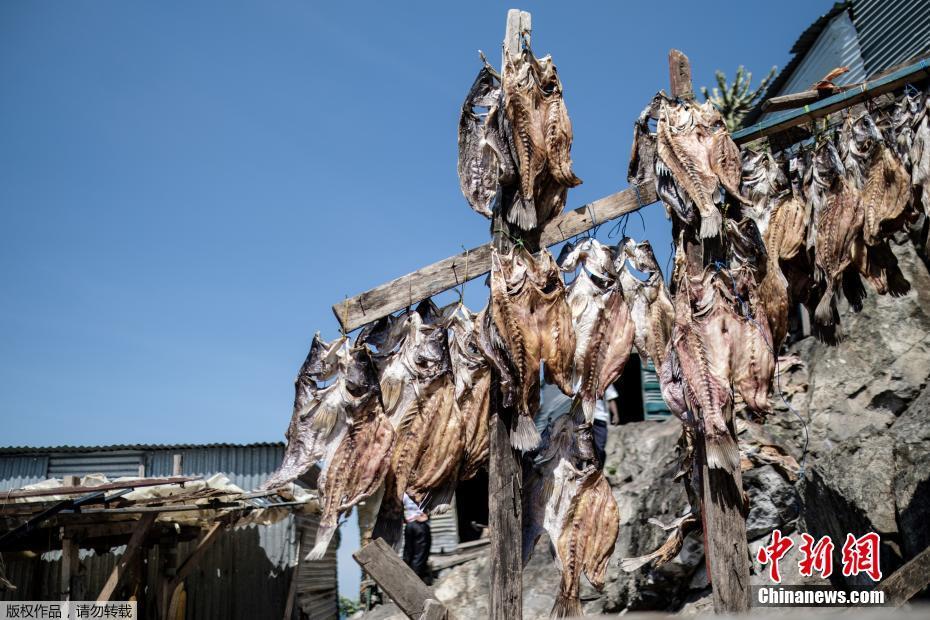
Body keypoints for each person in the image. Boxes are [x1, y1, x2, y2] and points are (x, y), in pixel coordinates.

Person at [402, 493, 432, 584]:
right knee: (420, 554)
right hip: (420, 525)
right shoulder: (423, 490)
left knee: (408, 551)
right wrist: (426, 516)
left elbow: (400, 507)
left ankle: (406, 575)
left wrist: (405, 519)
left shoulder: (403, 493)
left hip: (409, 524)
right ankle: (415, 580)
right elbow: (430, 507)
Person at [591, 384, 619, 468]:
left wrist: (615, 414)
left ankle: (598, 470)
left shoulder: (604, 378)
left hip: (599, 417)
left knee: (600, 447)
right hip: (582, 418)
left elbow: (611, 398)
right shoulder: (578, 378)